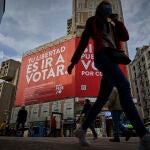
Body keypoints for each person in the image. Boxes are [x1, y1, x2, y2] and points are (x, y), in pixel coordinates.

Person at [67, 1, 149, 148]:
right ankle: (144, 135)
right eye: (106, 5)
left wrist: (117, 21)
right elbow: (83, 42)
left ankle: (82, 129)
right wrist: (73, 62)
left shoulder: (112, 25)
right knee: (124, 85)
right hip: (102, 57)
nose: (108, 7)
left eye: (109, 5)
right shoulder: (93, 21)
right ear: (100, 8)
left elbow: (125, 37)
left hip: (113, 59)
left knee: (102, 99)